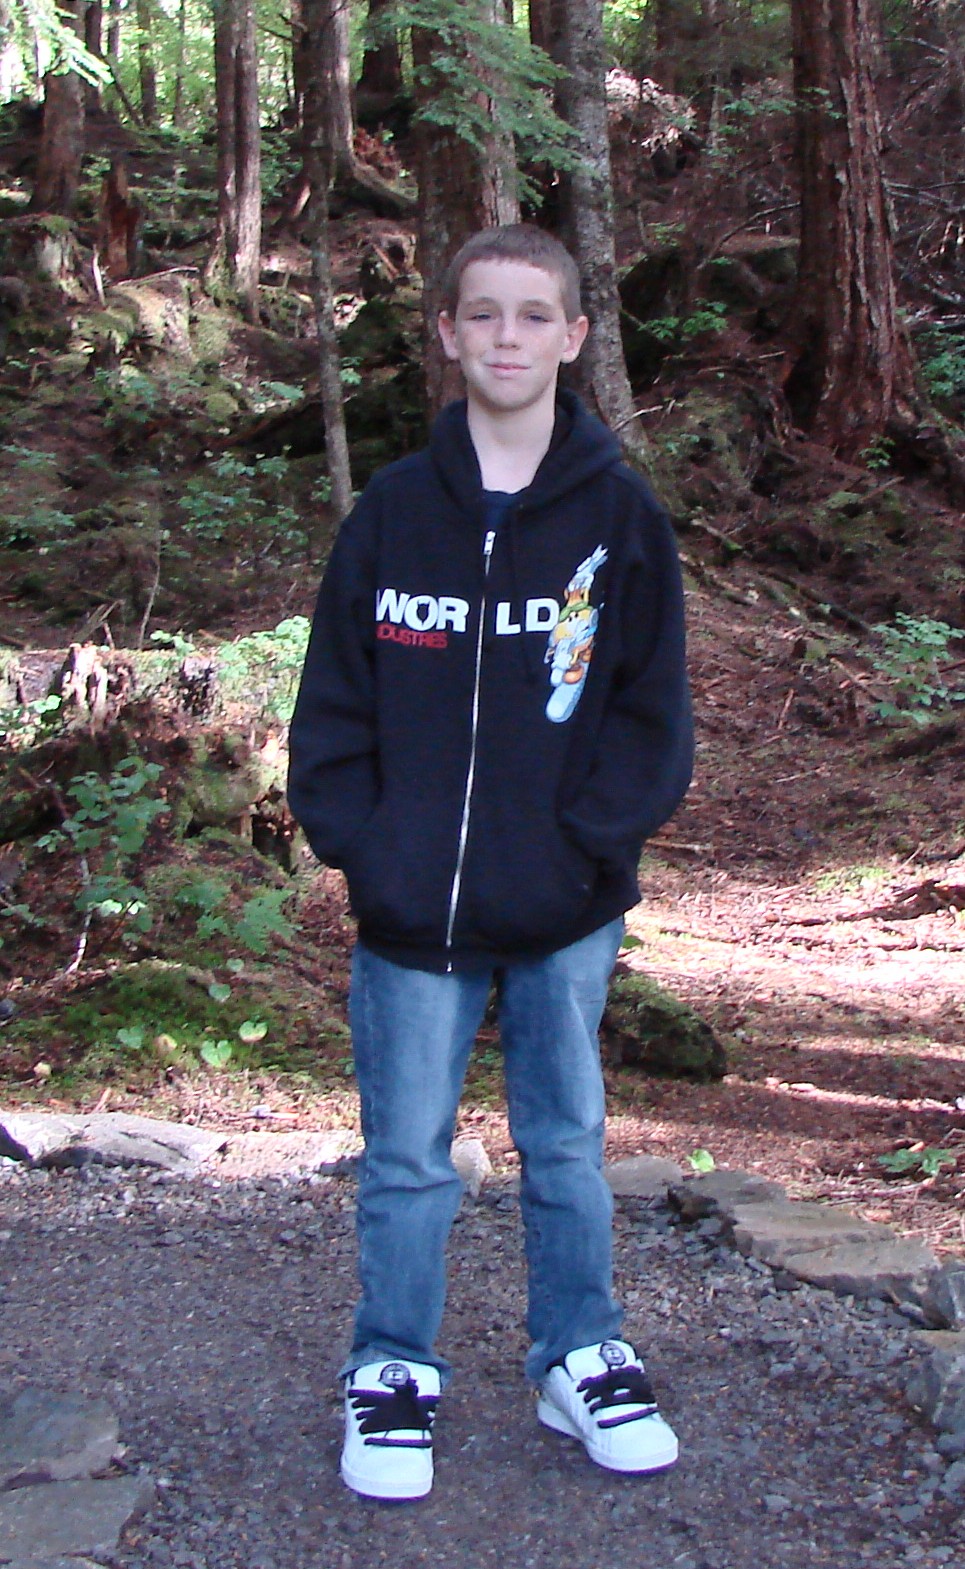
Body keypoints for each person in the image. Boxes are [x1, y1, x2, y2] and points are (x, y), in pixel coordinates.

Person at [287, 223, 694, 1502]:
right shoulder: (392, 515)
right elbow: (333, 699)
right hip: (412, 906)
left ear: (573, 336)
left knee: (562, 1145)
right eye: (482, 314)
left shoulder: (618, 519)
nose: (505, 337)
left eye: (532, 315)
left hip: (565, 903)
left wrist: (586, 847)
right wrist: (365, 845)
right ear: (447, 334)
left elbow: (649, 713)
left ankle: (577, 1352)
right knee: (407, 1156)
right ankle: (391, 1367)